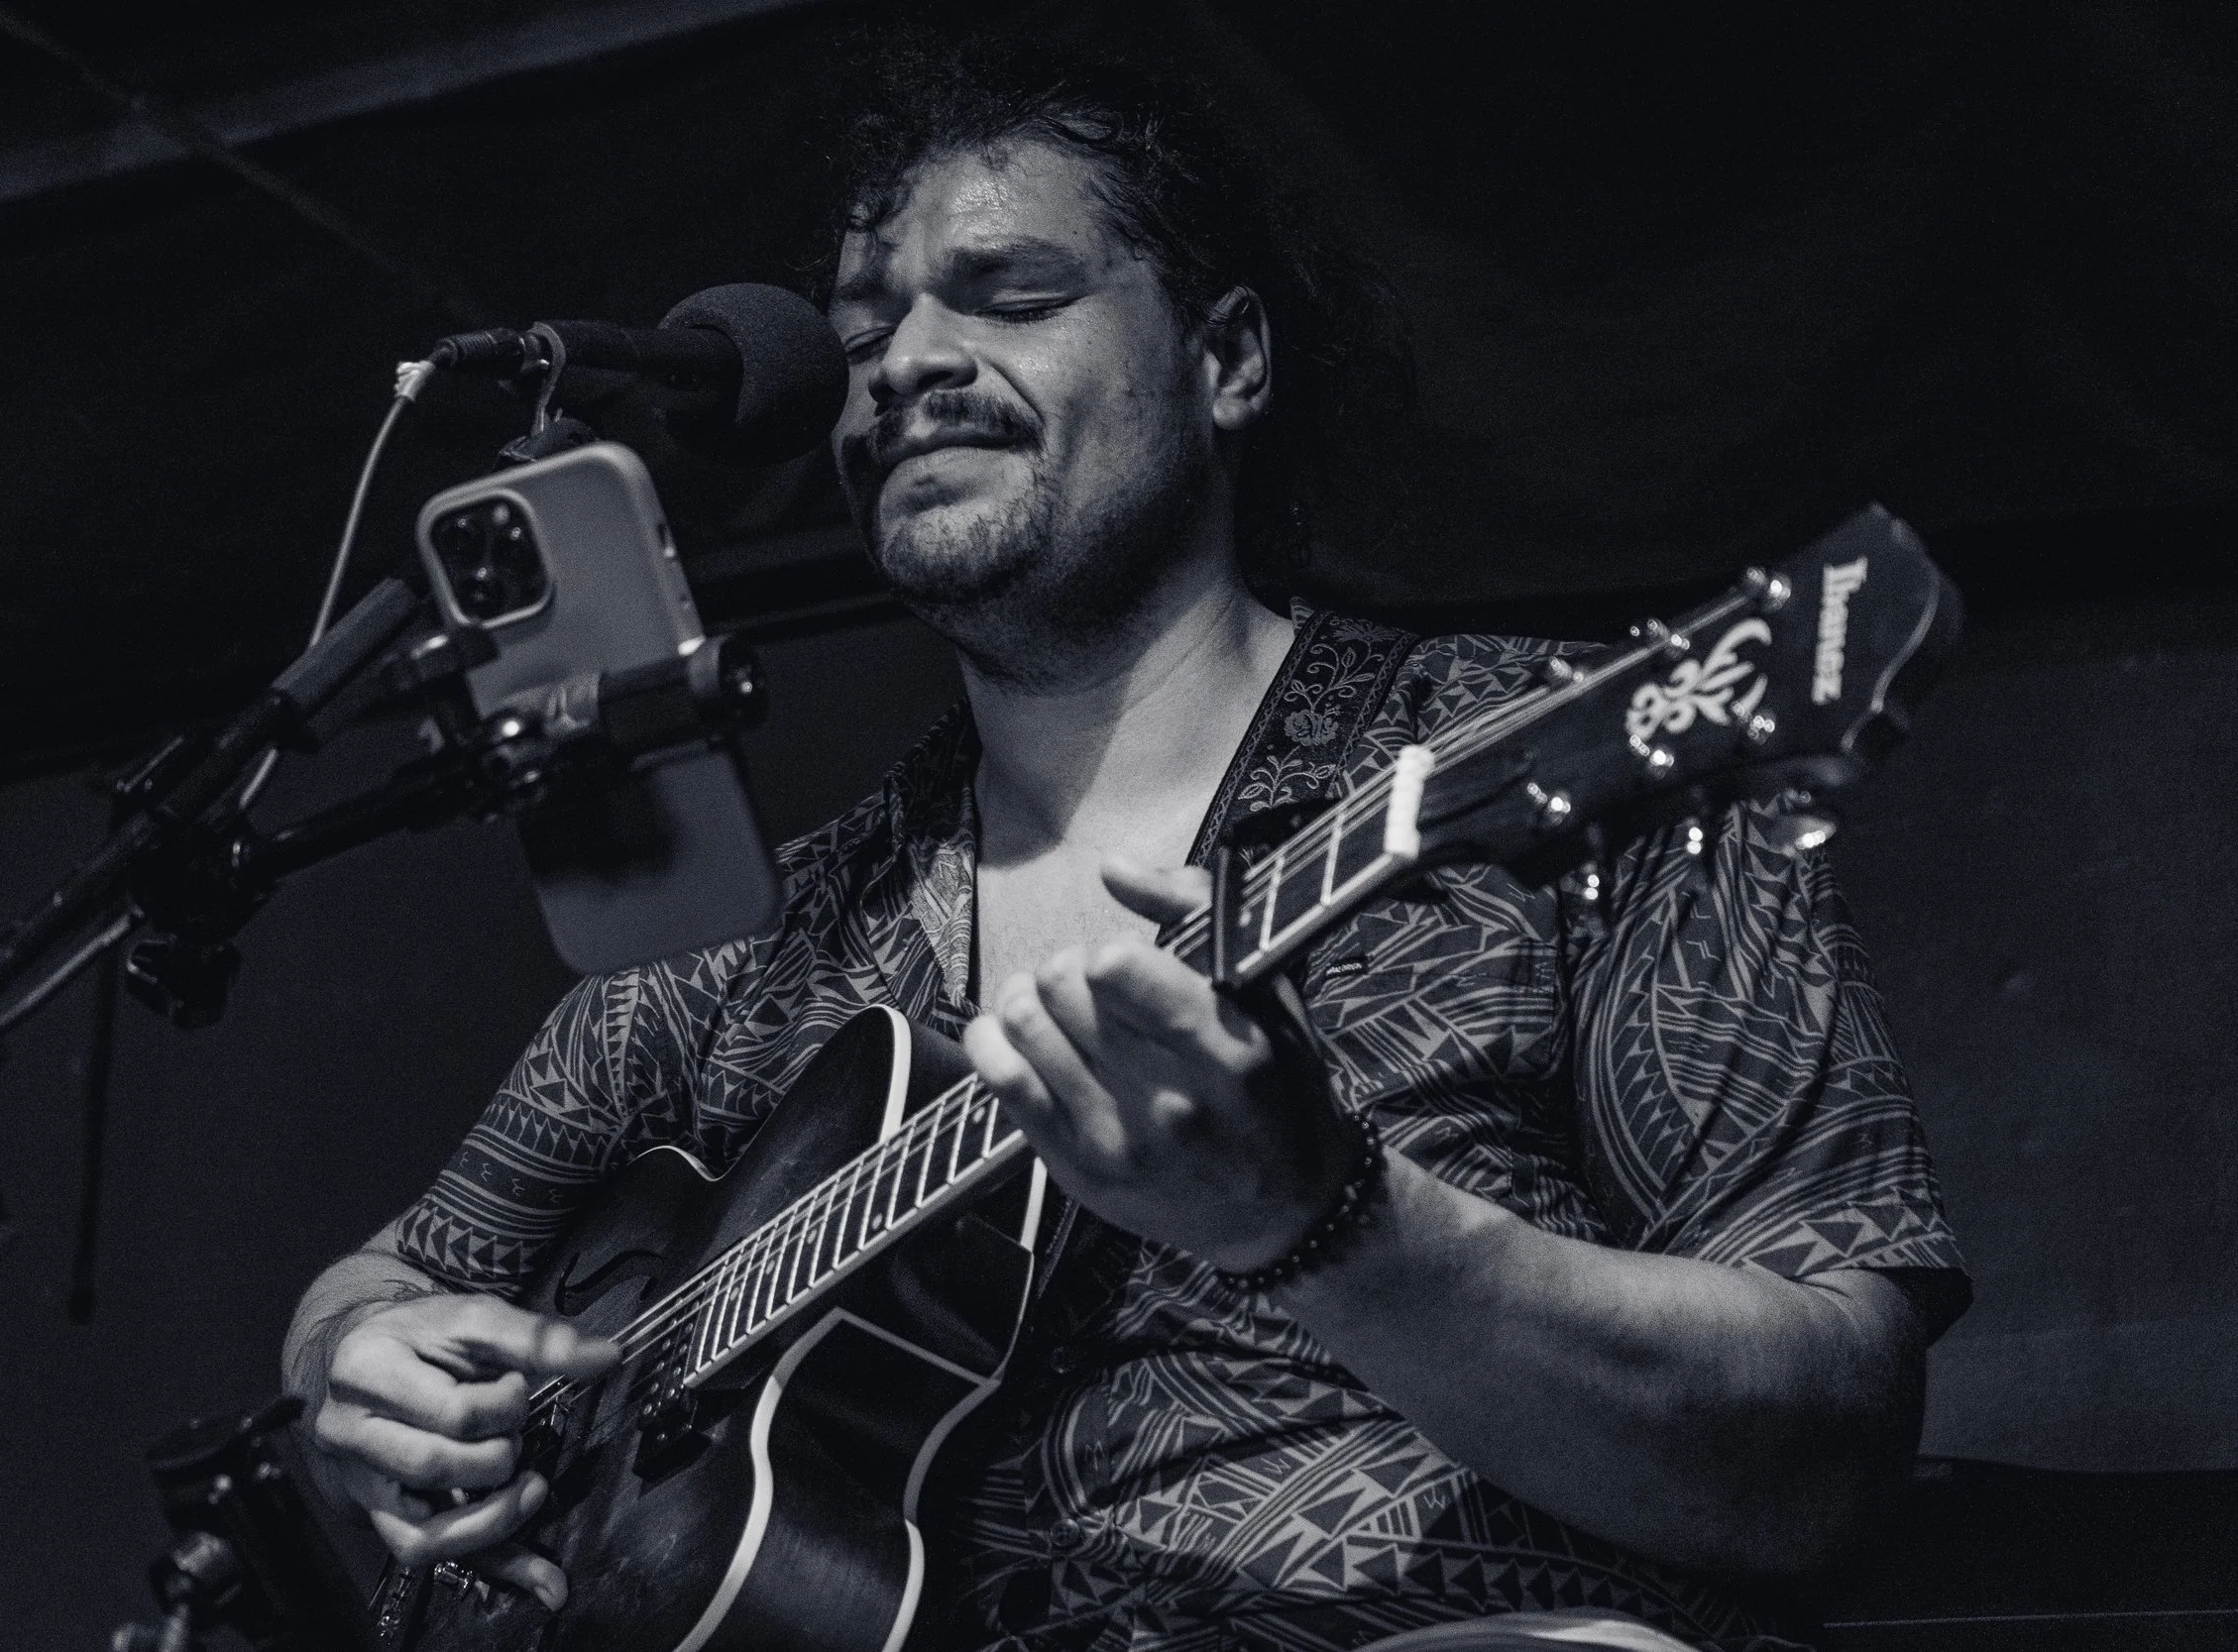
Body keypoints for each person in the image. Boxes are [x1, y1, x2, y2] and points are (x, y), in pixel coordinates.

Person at [282, 37, 1967, 1652]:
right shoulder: (749, 934)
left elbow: (1829, 1439)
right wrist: (362, 1360)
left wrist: (1342, 1229)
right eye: (867, 334)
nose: (906, 365)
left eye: (1008, 295)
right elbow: (390, 1280)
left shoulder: (1539, 754)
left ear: (1227, 359)